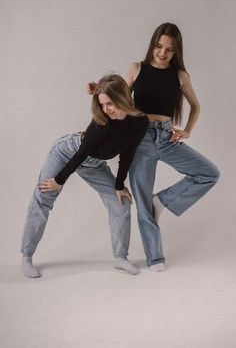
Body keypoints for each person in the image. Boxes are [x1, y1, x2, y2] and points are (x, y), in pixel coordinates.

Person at [21, 74, 148, 278]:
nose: (106, 109)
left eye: (110, 103)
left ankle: (120, 257)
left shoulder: (140, 122)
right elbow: (81, 153)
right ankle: (26, 256)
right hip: (68, 152)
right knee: (44, 196)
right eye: (102, 104)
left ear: (123, 98)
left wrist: (119, 185)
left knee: (121, 203)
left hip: (94, 164)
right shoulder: (101, 122)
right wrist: (59, 181)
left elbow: (127, 154)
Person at [125, 22, 220, 272]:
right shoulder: (136, 69)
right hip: (140, 139)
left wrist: (188, 130)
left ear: (176, 51)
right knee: (142, 202)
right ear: (152, 45)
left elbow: (196, 106)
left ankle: (163, 201)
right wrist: (97, 92)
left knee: (209, 173)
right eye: (158, 46)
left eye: (169, 49)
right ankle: (155, 257)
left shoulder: (180, 76)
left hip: (167, 137)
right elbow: (119, 103)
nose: (162, 53)